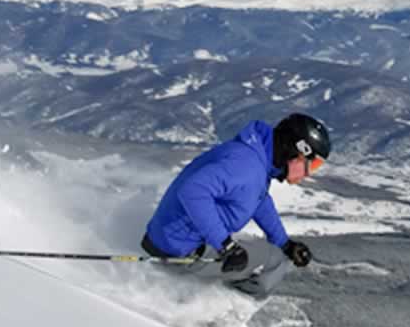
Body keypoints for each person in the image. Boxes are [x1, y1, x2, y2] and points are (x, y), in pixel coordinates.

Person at [141, 113, 329, 298]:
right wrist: (226, 246)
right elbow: (193, 190)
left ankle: (215, 287)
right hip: (180, 250)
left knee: (274, 250)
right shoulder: (245, 166)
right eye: (311, 165)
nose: (308, 174)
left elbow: (259, 200)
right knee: (275, 260)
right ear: (295, 151)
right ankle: (229, 303)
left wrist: (285, 243)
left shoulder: (255, 161)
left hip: (175, 239)